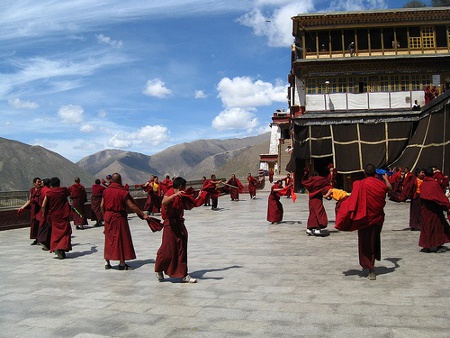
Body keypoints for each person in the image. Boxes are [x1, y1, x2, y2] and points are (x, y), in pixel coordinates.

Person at [335, 164, 392, 280]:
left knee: (366, 243)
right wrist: (386, 178)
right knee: (374, 240)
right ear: (375, 173)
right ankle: (372, 264)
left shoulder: (360, 184)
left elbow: (353, 199)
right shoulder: (380, 184)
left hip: (365, 218)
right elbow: (389, 189)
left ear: (365, 173)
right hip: (377, 218)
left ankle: (370, 268)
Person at [154, 177, 202, 283]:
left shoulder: (181, 195)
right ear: (180, 187)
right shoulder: (170, 192)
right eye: (184, 187)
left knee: (181, 248)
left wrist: (197, 198)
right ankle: (159, 268)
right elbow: (164, 202)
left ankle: (183, 274)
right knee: (167, 249)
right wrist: (174, 195)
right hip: (169, 225)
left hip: (179, 224)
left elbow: (188, 207)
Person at [101, 173, 150, 270]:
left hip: (108, 217)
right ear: (120, 181)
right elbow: (131, 206)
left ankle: (107, 262)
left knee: (109, 239)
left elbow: (101, 205)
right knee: (121, 239)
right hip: (119, 217)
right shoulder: (122, 192)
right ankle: (122, 263)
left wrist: (105, 216)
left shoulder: (106, 191)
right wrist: (143, 214)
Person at [418, 167, 450, 253]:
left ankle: (426, 246)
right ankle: (438, 245)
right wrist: (447, 205)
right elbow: (440, 196)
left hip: (425, 210)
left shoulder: (423, 184)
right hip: (434, 210)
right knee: (437, 227)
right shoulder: (434, 184)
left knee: (426, 228)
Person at [41, 177, 73, 260]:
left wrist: (44, 213)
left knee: (56, 233)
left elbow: (43, 205)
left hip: (54, 216)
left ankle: (57, 248)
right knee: (66, 232)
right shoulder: (63, 190)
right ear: (59, 183)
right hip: (63, 215)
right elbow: (70, 194)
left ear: (51, 184)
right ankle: (61, 248)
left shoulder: (49, 192)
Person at [302, 168, 332, 236]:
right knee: (319, 212)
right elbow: (327, 181)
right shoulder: (320, 179)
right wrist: (331, 173)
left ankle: (309, 229)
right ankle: (317, 228)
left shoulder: (310, 181)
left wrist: (306, 174)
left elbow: (304, 182)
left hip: (311, 199)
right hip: (317, 199)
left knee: (313, 213)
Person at [18, 177, 42, 245]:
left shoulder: (42, 190)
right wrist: (22, 207)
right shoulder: (32, 190)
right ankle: (36, 238)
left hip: (40, 209)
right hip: (34, 209)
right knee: (34, 224)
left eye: (40, 182)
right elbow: (30, 200)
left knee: (40, 224)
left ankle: (41, 238)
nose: (40, 183)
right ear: (34, 183)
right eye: (38, 182)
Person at [37, 178, 52, 251]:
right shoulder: (48, 191)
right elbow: (44, 204)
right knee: (48, 228)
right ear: (49, 184)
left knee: (43, 226)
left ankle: (43, 241)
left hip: (43, 211)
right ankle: (45, 242)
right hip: (47, 211)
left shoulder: (42, 190)